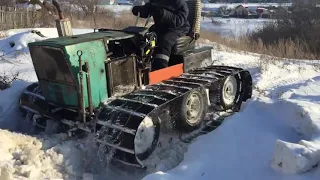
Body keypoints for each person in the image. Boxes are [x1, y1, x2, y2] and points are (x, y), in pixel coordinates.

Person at [132, 0, 190, 71]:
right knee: (146, 38)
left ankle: (160, 68)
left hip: (178, 28)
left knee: (165, 41)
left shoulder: (179, 2)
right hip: (161, 27)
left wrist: (164, 14)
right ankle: (140, 62)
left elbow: (179, 20)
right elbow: (148, 9)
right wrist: (139, 10)